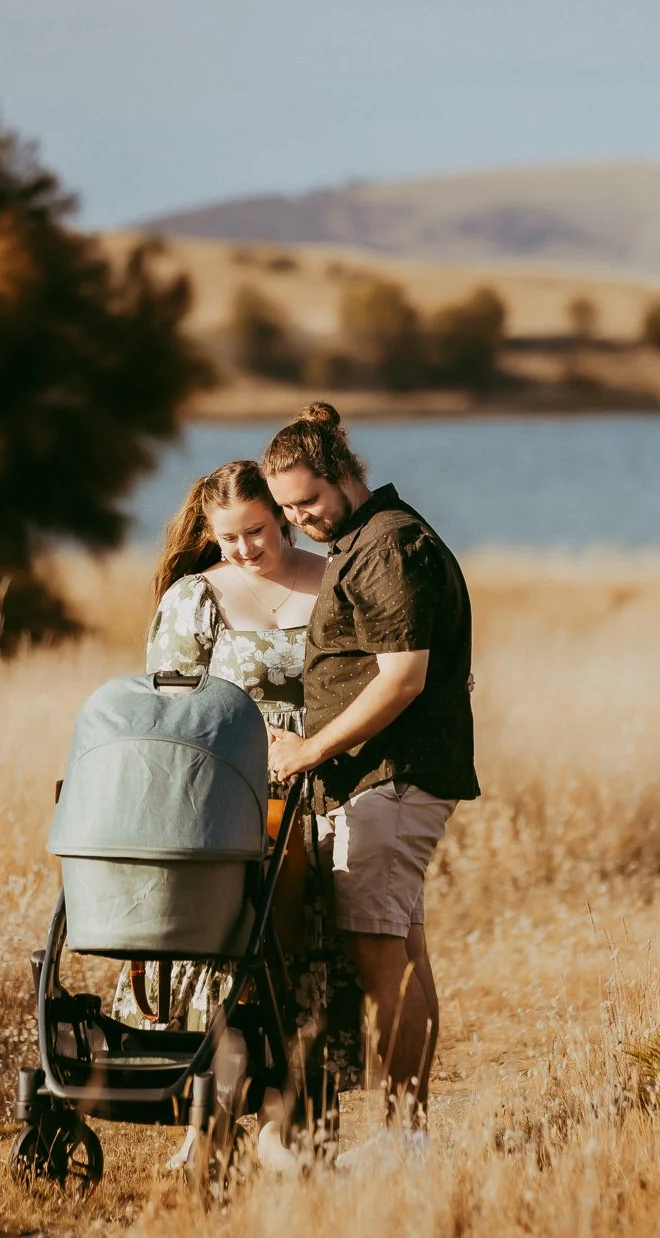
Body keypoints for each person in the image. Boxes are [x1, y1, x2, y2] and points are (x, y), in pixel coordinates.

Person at [117, 458, 359, 1169]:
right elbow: (169, 714)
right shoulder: (196, 599)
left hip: (324, 792)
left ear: (281, 515)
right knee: (229, 954)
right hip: (231, 802)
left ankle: (292, 1124)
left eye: (256, 530)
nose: (246, 549)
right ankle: (208, 1120)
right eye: (229, 538)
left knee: (309, 962)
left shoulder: (333, 579)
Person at [261, 402, 479, 1163]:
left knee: (382, 960)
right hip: (380, 783)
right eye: (287, 510)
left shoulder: (389, 545)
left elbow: (405, 679)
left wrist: (308, 750)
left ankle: (403, 1139)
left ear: (344, 475)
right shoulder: (367, 540)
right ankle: (406, 1133)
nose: (301, 520)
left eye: (308, 501)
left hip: (391, 781)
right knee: (404, 954)